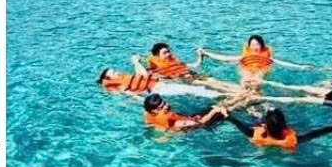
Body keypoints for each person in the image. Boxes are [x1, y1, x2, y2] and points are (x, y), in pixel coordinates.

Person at [199, 35, 311, 88]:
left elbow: (282, 63)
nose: (255, 47)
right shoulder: (243, 56)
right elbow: (225, 58)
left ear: (261, 45)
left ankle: (255, 96)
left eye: (257, 44)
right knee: (245, 81)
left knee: (257, 80)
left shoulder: (267, 56)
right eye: (252, 45)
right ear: (249, 46)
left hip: (260, 69)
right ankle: (242, 94)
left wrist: (301, 67)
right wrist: (207, 54)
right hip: (247, 68)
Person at [133, 43, 243, 93]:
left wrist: (200, 56)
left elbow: (195, 65)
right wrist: (136, 62)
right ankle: (238, 93)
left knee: (215, 81)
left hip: (193, 75)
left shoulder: (174, 61)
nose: (168, 54)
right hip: (186, 80)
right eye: (165, 52)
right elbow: (144, 75)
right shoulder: (155, 66)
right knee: (212, 84)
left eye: (168, 51)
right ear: (157, 55)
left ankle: (242, 90)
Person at [222, 108, 332, 153]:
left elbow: (238, 123)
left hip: (261, 132)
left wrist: (227, 116)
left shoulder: (252, 133)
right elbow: (317, 133)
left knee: (254, 117)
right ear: (284, 126)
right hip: (274, 132)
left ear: (265, 126)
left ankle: (256, 111)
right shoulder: (294, 140)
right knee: (257, 116)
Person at [99, 68, 236, 98]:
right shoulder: (121, 85)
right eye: (113, 73)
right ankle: (224, 95)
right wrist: (144, 100)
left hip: (159, 87)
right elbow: (132, 95)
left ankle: (221, 94)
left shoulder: (124, 78)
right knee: (190, 90)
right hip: (157, 90)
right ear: (109, 78)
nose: (116, 72)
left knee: (189, 89)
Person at [142, 94, 227, 133]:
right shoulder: (173, 122)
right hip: (194, 126)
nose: (166, 106)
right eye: (162, 106)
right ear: (154, 111)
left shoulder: (147, 114)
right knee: (223, 109)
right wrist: (214, 111)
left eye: (164, 103)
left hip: (186, 120)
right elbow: (201, 122)